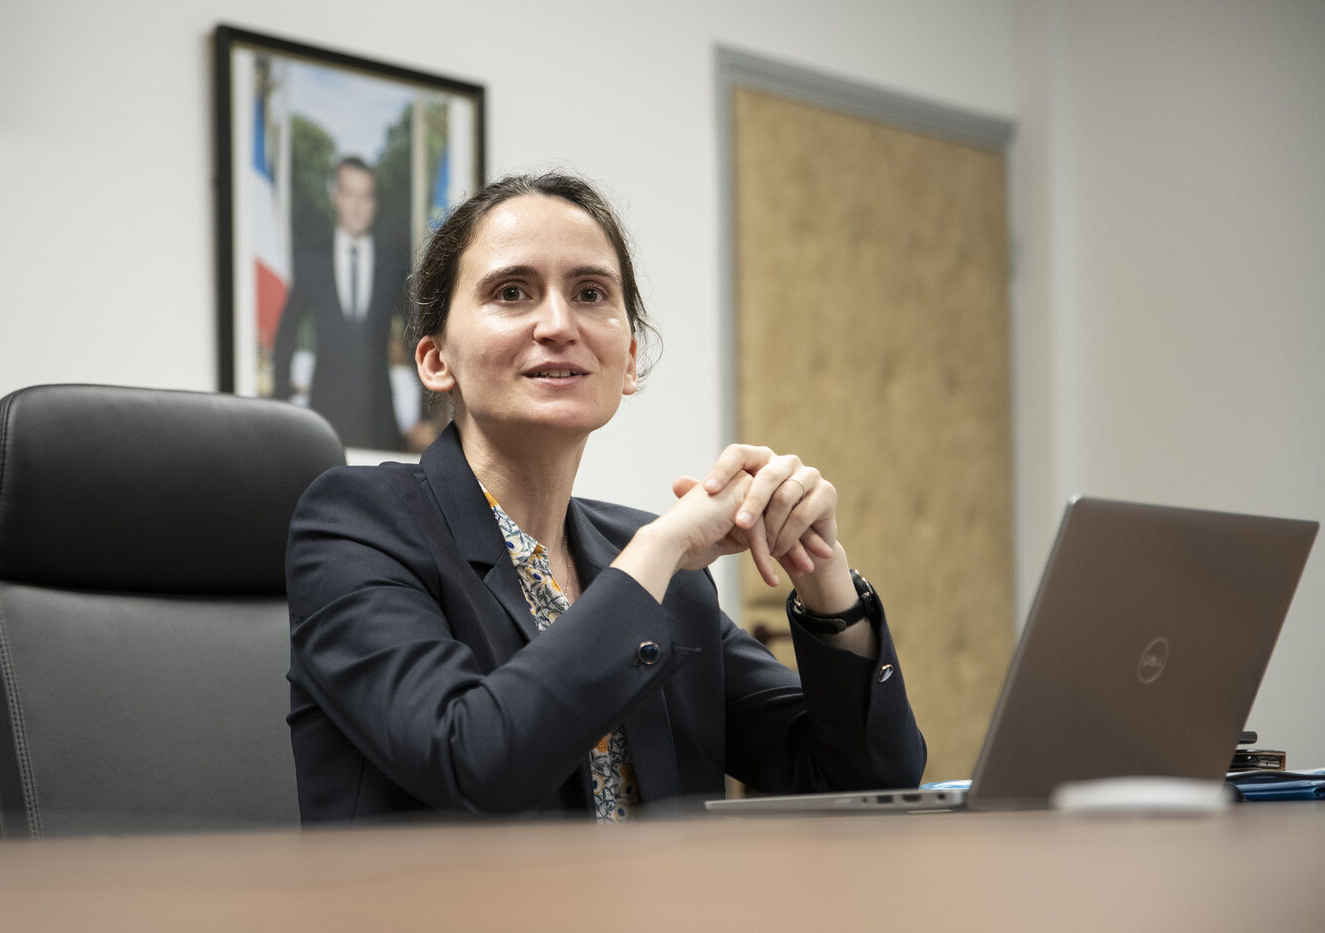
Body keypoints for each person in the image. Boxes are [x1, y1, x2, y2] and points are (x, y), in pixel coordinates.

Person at [285, 172, 925, 823]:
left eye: (590, 293)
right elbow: (470, 757)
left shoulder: (665, 575)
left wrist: (825, 582)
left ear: (629, 361)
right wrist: (659, 550)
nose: (558, 325)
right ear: (434, 359)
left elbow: (870, 781)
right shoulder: (357, 523)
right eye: (512, 292)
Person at [272, 156, 434, 450]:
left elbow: (415, 339)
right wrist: (279, 407)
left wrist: (426, 415)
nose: (358, 205)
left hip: (380, 420)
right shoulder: (311, 261)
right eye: (350, 194)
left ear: (375, 203)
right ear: (336, 197)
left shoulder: (394, 265)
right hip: (323, 417)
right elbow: (286, 335)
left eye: (366, 195)